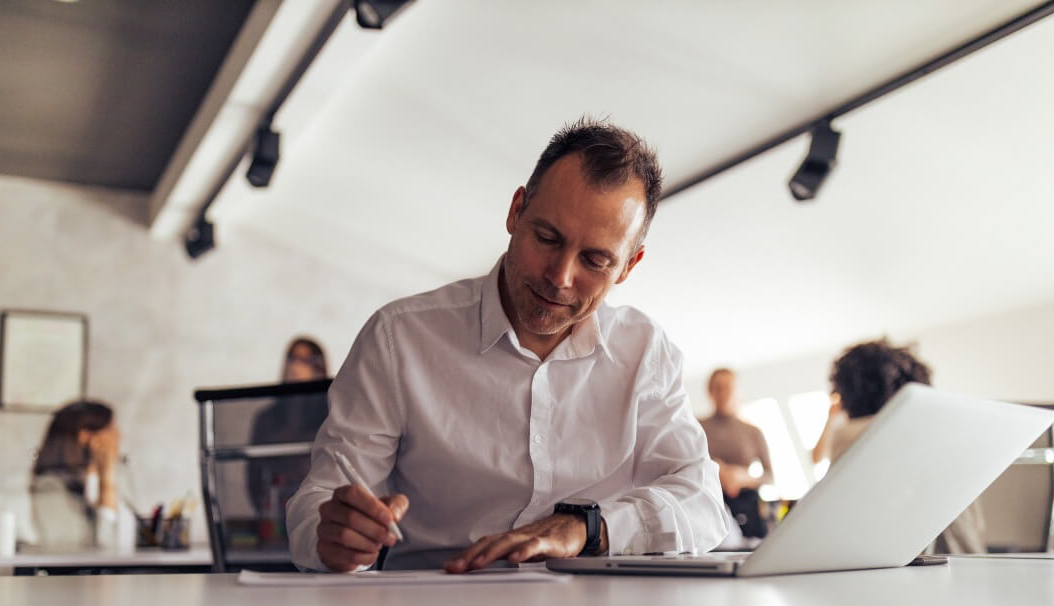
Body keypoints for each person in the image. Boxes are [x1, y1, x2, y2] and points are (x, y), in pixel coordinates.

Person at [286, 118, 727, 573]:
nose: (560, 277)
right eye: (547, 238)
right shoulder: (399, 338)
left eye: (595, 260)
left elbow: (703, 503)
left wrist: (586, 528)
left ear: (628, 266)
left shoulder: (645, 351)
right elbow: (321, 499)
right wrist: (330, 535)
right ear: (516, 211)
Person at [812, 339, 986, 554]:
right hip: (967, 565)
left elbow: (832, 524)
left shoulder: (854, 434)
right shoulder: (948, 434)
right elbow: (977, 526)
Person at [247, 338, 330, 535]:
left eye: (306, 360)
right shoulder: (266, 418)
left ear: (319, 367)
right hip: (274, 515)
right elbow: (253, 476)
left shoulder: (331, 416)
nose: (296, 366)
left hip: (318, 518)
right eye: (292, 359)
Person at [29, 400, 124, 549]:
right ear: (86, 436)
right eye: (111, 429)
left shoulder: (89, 481)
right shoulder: (49, 488)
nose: (119, 436)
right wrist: (107, 479)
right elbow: (103, 548)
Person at [698, 368, 773, 539]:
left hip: (747, 508)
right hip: (707, 505)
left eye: (729, 387)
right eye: (718, 387)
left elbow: (770, 476)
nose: (724, 392)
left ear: (738, 391)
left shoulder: (753, 432)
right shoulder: (697, 428)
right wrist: (718, 471)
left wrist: (743, 478)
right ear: (710, 391)